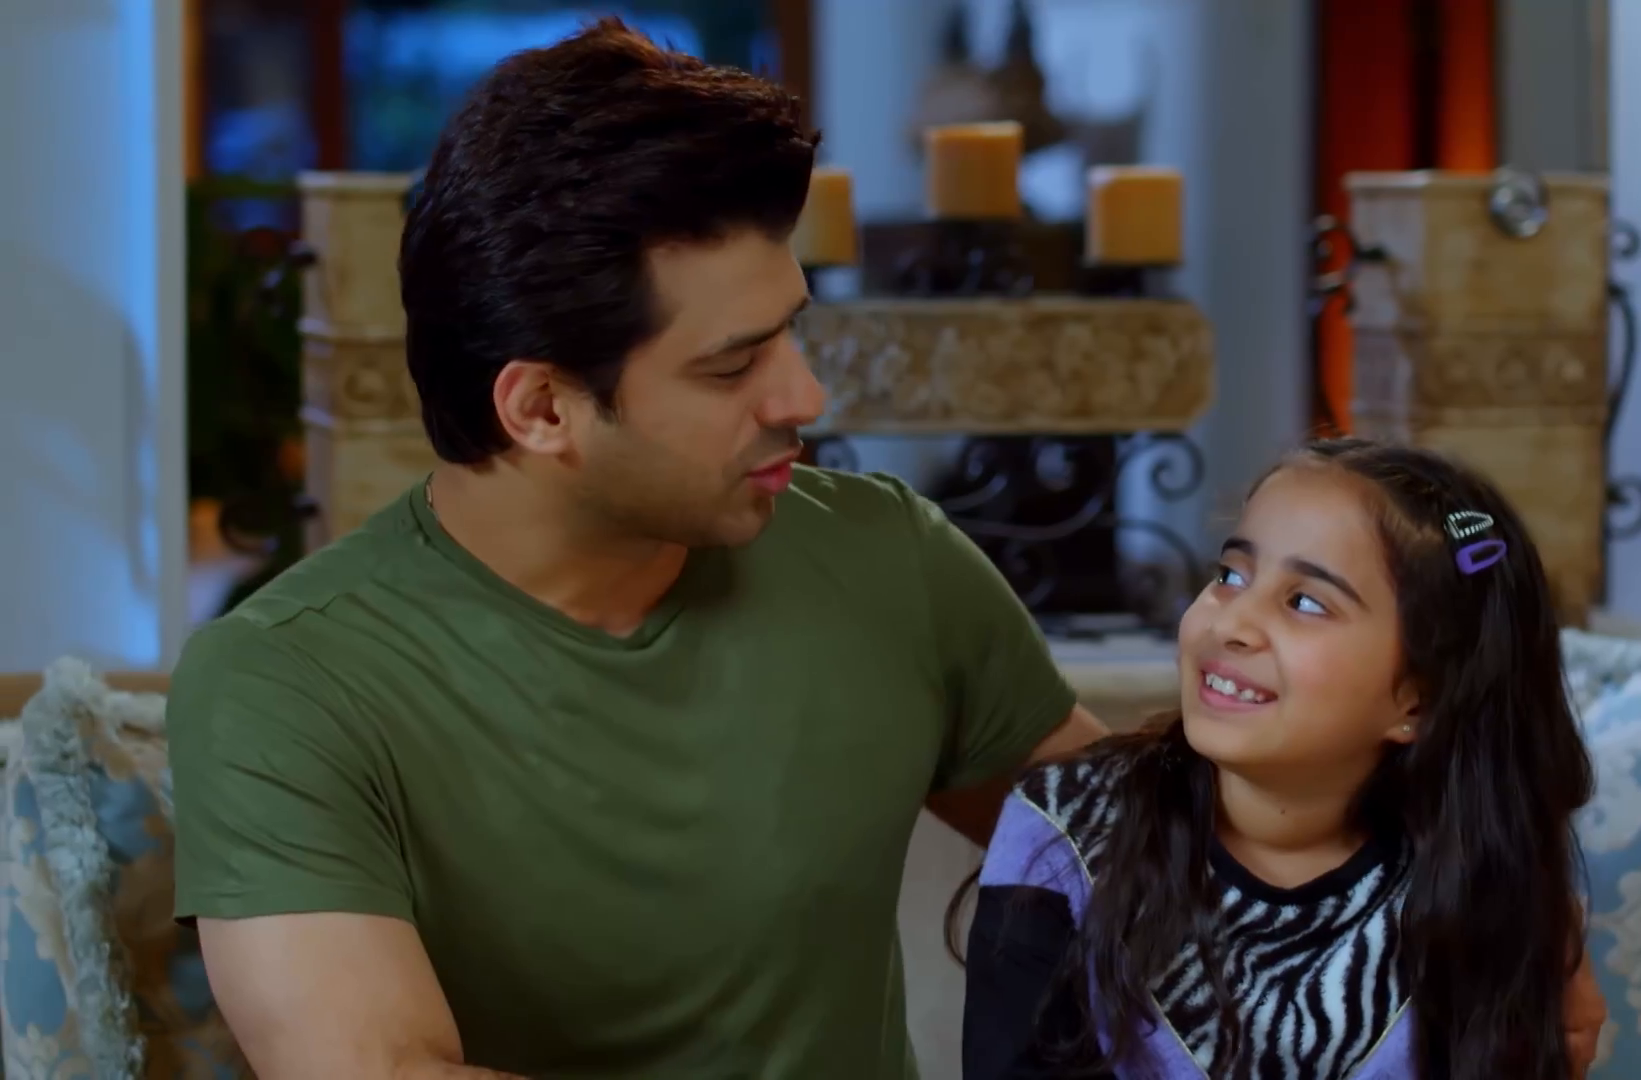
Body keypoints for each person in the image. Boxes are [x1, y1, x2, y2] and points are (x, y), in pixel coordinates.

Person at [168, 19, 1105, 1079]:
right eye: (731, 367)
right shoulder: (285, 682)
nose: (804, 396)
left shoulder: (889, 557)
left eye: (791, 332)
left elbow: (1145, 873)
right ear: (542, 409)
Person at [960, 438, 1609, 1079]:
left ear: (1419, 700)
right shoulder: (1065, 832)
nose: (1231, 623)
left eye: (1305, 602)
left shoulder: (1484, 885)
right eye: (1230, 576)